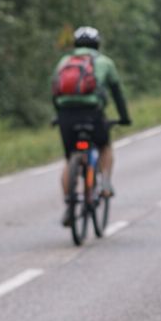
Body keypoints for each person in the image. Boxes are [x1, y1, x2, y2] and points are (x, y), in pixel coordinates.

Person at [51, 26, 130, 225]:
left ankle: (70, 203)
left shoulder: (64, 61)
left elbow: (55, 90)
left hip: (66, 116)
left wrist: (58, 115)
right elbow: (117, 93)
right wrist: (124, 117)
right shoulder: (104, 62)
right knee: (104, 147)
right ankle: (104, 184)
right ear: (98, 44)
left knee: (70, 158)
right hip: (92, 115)